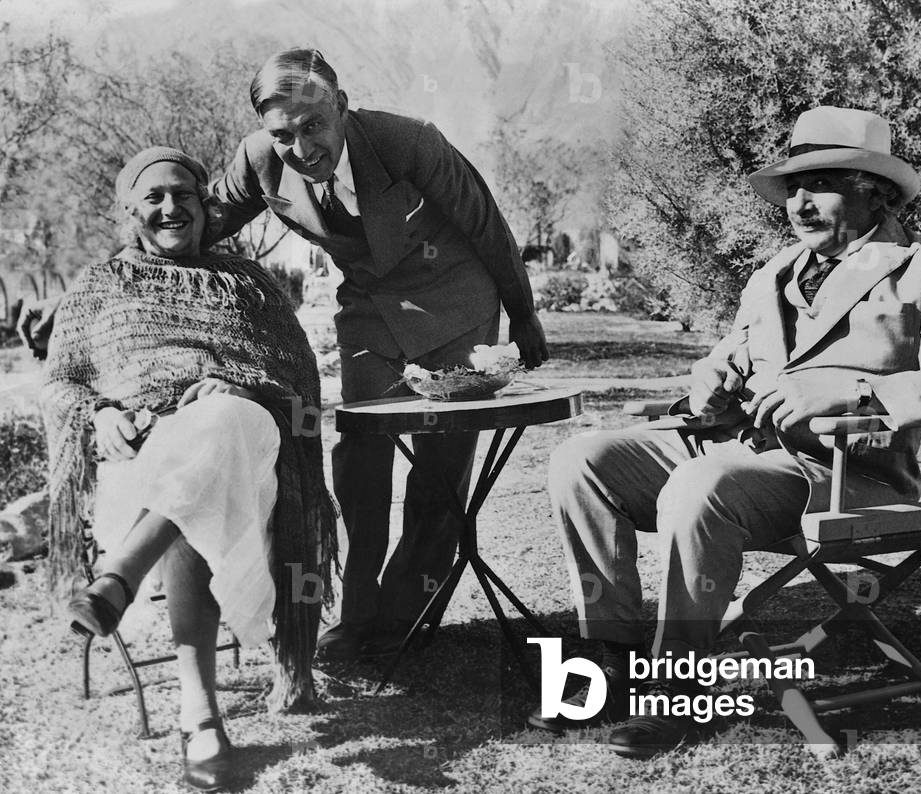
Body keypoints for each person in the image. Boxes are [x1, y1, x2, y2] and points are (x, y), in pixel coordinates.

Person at [528, 106, 921, 758]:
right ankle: (607, 659)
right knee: (583, 458)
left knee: (702, 483)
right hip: (740, 449)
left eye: (820, 184)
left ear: (875, 191)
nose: (798, 202)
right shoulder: (773, 274)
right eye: (790, 187)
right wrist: (711, 383)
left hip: (847, 476)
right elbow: (732, 362)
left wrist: (847, 393)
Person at [212, 48, 548, 661]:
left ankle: (404, 614)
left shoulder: (408, 141)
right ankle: (354, 614)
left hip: (456, 303)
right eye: (283, 133)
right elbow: (195, 217)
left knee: (440, 467)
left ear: (340, 107)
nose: (302, 146)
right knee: (360, 458)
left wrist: (522, 314)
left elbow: (484, 223)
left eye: (313, 126)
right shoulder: (259, 160)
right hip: (370, 310)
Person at [41, 147, 337, 791]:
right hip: (142, 464)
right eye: (154, 198)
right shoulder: (98, 287)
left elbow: (298, 382)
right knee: (197, 481)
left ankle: (119, 581)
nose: (172, 207)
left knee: (219, 430)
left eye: (185, 194)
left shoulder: (248, 283)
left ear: (207, 205)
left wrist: (237, 386)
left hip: (249, 454)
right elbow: (60, 385)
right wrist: (97, 416)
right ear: (130, 213)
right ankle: (200, 716)